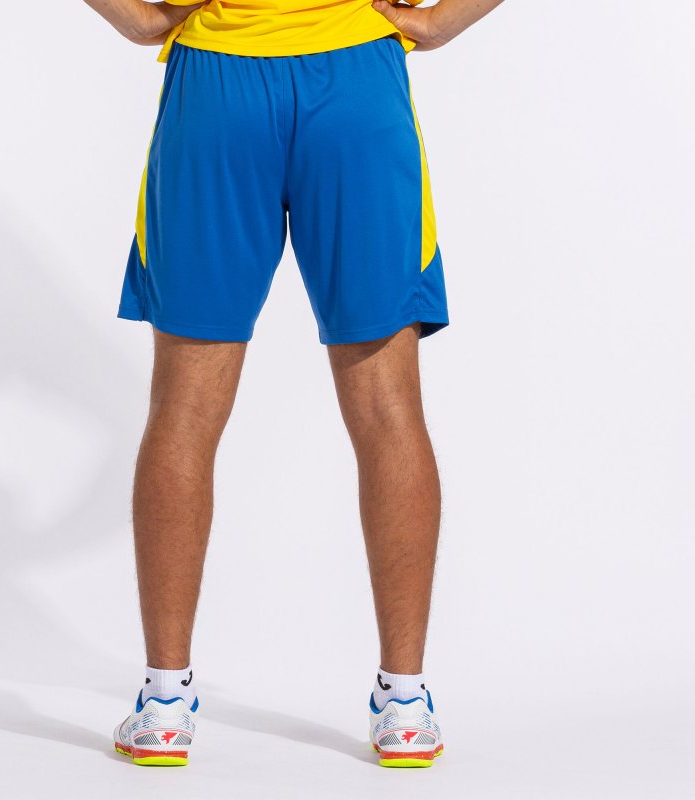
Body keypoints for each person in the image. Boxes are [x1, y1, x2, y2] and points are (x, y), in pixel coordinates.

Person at [84, 0, 503, 768]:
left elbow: (146, 19)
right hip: (356, 79)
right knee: (388, 408)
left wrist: (140, 17)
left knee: (184, 409)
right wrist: (442, 20)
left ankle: (165, 705)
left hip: (218, 85)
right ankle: (404, 705)